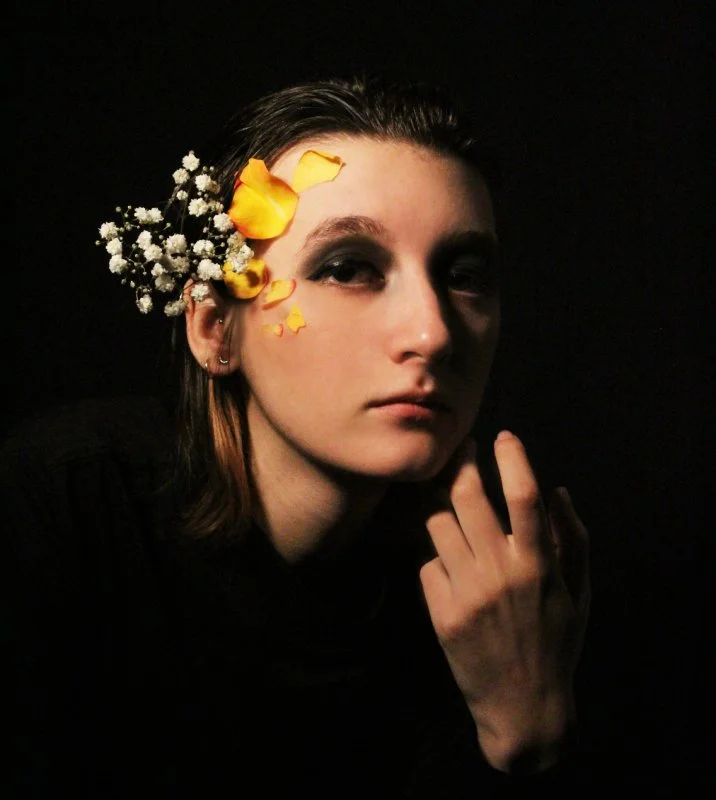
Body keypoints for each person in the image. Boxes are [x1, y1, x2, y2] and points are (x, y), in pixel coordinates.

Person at [6, 76, 590, 796]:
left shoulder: (499, 606)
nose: (433, 333)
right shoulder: (67, 502)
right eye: (348, 268)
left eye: (465, 274)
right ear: (215, 326)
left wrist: (525, 735)